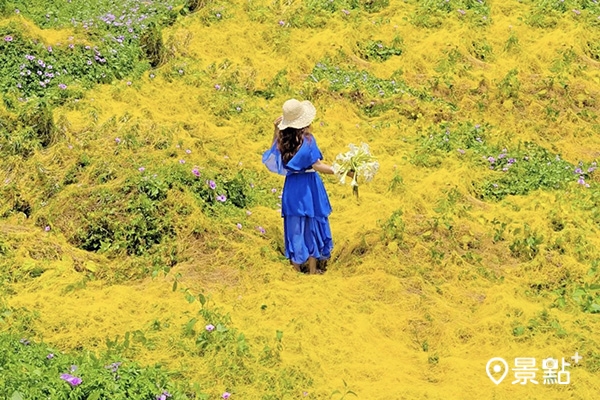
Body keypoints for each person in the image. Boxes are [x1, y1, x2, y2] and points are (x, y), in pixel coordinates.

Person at [262, 99, 342, 275]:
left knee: (294, 227)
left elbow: (271, 156)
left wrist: (276, 131)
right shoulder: (308, 140)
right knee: (311, 224)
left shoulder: (282, 140)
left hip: (292, 187)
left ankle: (296, 269)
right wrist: (341, 170)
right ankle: (313, 270)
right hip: (309, 187)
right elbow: (318, 166)